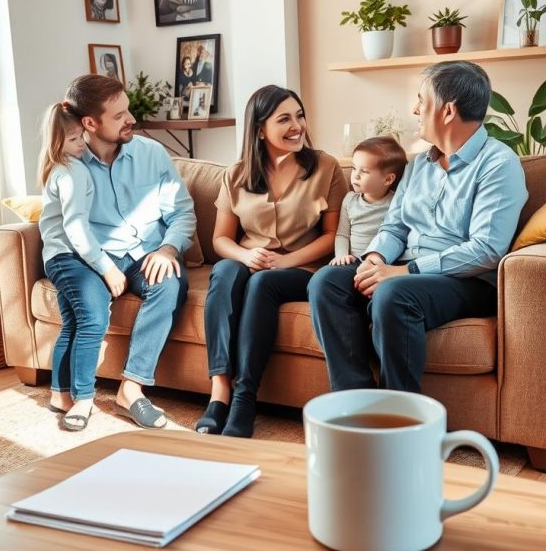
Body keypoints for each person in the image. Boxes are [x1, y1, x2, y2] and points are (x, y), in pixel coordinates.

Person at [308, 61, 528, 394]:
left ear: (448, 110)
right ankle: (356, 401)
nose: (415, 109)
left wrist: (404, 272)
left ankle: (401, 416)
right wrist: (375, 258)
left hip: (464, 281)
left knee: (393, 293)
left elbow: (486, 249)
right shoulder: (418, 165)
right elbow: (394, 225)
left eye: (421, 101)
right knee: (327, 281)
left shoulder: (499, 164)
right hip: (402, 268)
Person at [42, 74, 196, 430]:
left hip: (147, 253)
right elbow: (66, 226)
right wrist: (99, 266)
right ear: (89, 123)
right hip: (95, 260)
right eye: (119, 115)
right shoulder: (71, 166)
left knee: (170, 283)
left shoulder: (151, 153)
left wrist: (169, 249)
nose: (131, 120)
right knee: (85, 314)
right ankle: (71, 394)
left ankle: (132, 388)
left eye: (128, 110)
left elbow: (182, 212)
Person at [195, 84, 347, 439]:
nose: (297, 126)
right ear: (260, 129)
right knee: (225, 271)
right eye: (285, 119)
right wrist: (246, 254)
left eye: (300, 116)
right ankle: (219, 393)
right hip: (249, 262)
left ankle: (245, 397)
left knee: (264, 282)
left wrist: (286, 261)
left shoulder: (325, 167)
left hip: (302, 269)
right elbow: (221, 240)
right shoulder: (236, 175)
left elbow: (331, 238)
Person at [39, 103, 127, 431]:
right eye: (75, 138)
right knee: (94, 318)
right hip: (68, 258)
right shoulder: (72, 170)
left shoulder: (57, 168)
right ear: (57, 140)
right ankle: (84, 397)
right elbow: (76, 227)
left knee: (72, 323)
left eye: (82, 136)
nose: (82, 144)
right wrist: (107, 267)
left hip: (58, 258)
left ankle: (60, 394)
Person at [330, 136, 407, 266]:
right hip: (352, 262)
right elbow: (342, 235)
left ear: (388, 179)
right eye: (354, 168)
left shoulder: (396, 202)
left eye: (364, 171)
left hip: (383, 264)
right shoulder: (349, 200)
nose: (356, 175)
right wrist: (341, 256)